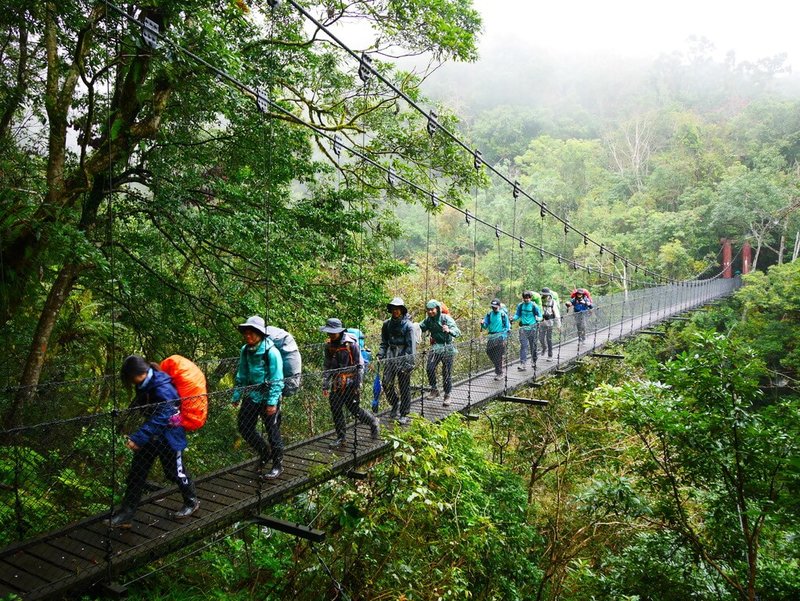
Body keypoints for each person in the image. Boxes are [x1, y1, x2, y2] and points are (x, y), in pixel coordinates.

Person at [109, 355, 199, 527]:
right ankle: (127, 514)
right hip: (152, 436)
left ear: (139, 374)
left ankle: (192, 501)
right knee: (137, 473)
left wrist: (137, 437)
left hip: (170, 436)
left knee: (174, 472)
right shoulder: (144, 384)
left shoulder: (162, 387)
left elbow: (163, 416)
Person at [232, 315, 285, 480]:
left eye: (251, 333)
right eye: (246, 333)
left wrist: (271, 403)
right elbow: (242, 374)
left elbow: (278, 379)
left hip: (269, 396)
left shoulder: (272, 352)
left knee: (272, 430)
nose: (248, 336)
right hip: (252, 394)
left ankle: (278, 465)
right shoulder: (245, 350)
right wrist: (237, 395)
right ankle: (264, 452)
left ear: (260, 334)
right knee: (244, 427)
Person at [321, 318, 380, 448]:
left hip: (351, 382)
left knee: (354, 409)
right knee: (336, 409)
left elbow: (360, 364)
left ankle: (373, 422)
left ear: (340, 331)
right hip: (337, 383)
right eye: (329, 332)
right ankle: (341, 438)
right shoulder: (329, 345)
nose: (330, 335)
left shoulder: (351, 344)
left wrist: (358, 384)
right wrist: (325, 384)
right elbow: (327, 366)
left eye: (333, 332)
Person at [377, 297, 417, 424]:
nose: (395, 311)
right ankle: (395, 404)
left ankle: (404, 413)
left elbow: (411, 347)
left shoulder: (408, 326)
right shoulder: (386, 324)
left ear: (402, 310)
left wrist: (408, 363)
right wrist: (381, 354)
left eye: (398, 309)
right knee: (386, 383)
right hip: (390, 356)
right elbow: (384, 342)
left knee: (404, 386)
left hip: (403, 356)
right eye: (393, 309)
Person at [419, 299, 461, 405]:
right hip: (436, 347)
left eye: (432, 310)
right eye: (428, 310)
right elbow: (421, 327)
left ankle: (447, 395)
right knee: (430, 368)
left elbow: (457, 332)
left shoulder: (446, 318)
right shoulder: (428, 320)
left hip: (447, 348)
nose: (430, 312)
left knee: (446, 372)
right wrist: (412, 326)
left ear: (437, 309)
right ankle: (434, 389)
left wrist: (449, 330)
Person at [511, 291, 542, 371]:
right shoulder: (520, 306)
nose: (526, 299)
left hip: (533, 328)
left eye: (528, 298)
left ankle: (534, 361)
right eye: (525, 298)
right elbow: (517, 314)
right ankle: (522, 364)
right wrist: (513, 318)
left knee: (533, 346)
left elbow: (540, 316)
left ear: (530, 298)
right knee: (523, 346)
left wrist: (538, 320)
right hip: (523, 328)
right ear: (523, 298)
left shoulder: (534, 306)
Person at [481, 298, 511, 380]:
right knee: (489, 352)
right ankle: (499, 365)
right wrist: (482, 323)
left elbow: (507, 327)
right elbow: (485, 326)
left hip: (499, 336)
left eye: (495, 307)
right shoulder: (489, 314)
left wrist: (504, 338)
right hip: (491, 337)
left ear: (499, 306)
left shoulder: (503, 315)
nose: (494, 308)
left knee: (498, 356)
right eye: (492, 307)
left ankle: (499, 373)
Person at [538, 287, 561, 361]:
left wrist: (558, 325)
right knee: (541, 338)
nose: (544, 296)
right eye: (543, 295)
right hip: (541, 323)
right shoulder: (539, 301)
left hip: (549, 324)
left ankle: (550, 356)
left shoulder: (553, 302)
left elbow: (557, 314)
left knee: (549, 339)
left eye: (545, 295)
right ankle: (544, 347)